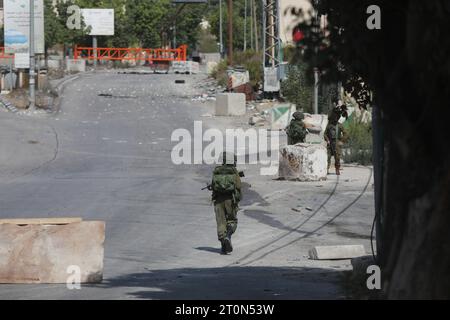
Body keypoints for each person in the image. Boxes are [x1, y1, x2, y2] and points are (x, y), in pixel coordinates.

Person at [209, 152, 242, 254]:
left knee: (221, 223)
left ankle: (223, 244)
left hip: (218, 201)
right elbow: (238, 187)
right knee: (232, 221)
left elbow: (214, 186)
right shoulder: (233, 171)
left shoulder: (217, 171)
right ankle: (228, 236)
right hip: (230, 201)